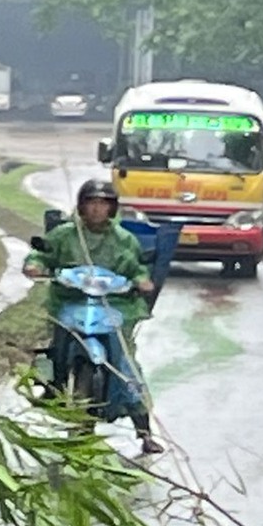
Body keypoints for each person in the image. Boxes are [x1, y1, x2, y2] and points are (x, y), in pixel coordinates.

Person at [24, 176, 160, 456]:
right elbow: (41, 256)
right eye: (91, 203)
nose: (97, 209)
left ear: (112, 208)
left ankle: (144, 431)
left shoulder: (125, 240)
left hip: (115, 307)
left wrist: (142, 280)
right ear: (81, 206)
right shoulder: (64, 235)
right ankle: (52, 385)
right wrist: (35, 266)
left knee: (125, 365)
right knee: (55, 350)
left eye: (103, 204)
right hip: (70, 303)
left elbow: (138, 270)